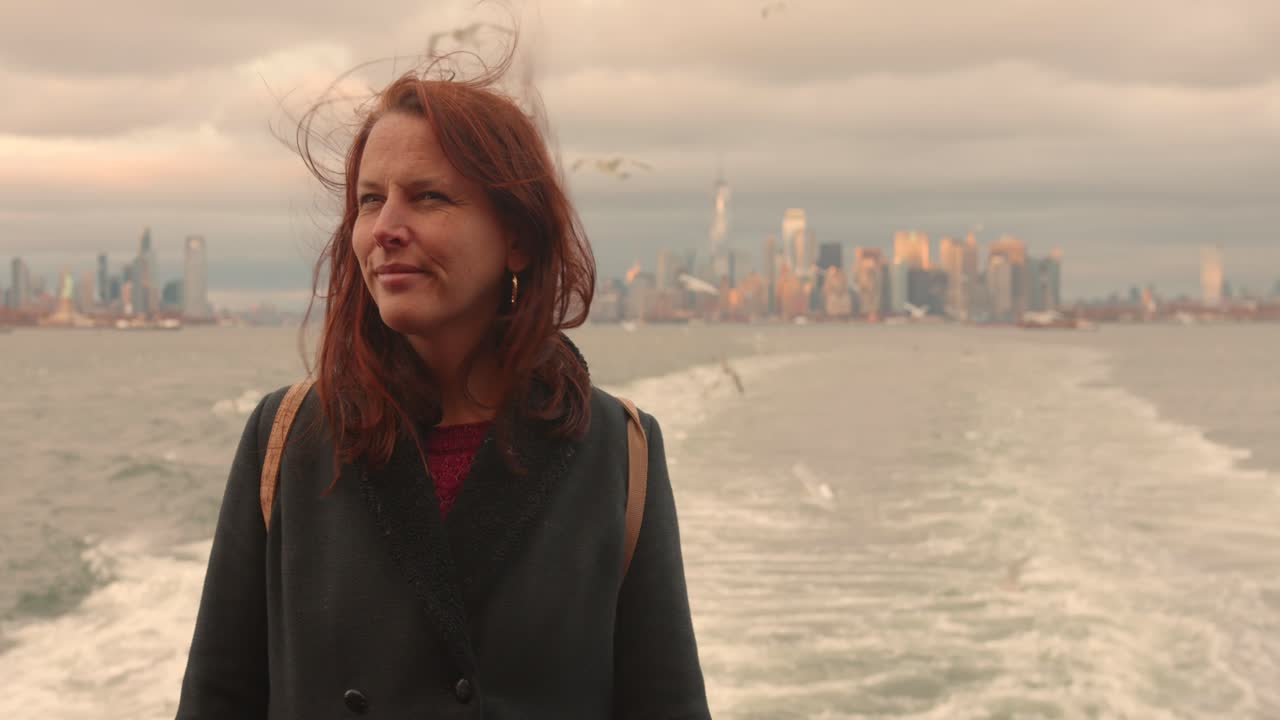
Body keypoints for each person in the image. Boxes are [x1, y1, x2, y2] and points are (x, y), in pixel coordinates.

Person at [175, 49, 710, 719]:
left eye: (428, 197)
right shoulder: (287, 439)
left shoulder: (617, 453)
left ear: (517, 238)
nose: (385, 230)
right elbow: (218, 700)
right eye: (370, 201)